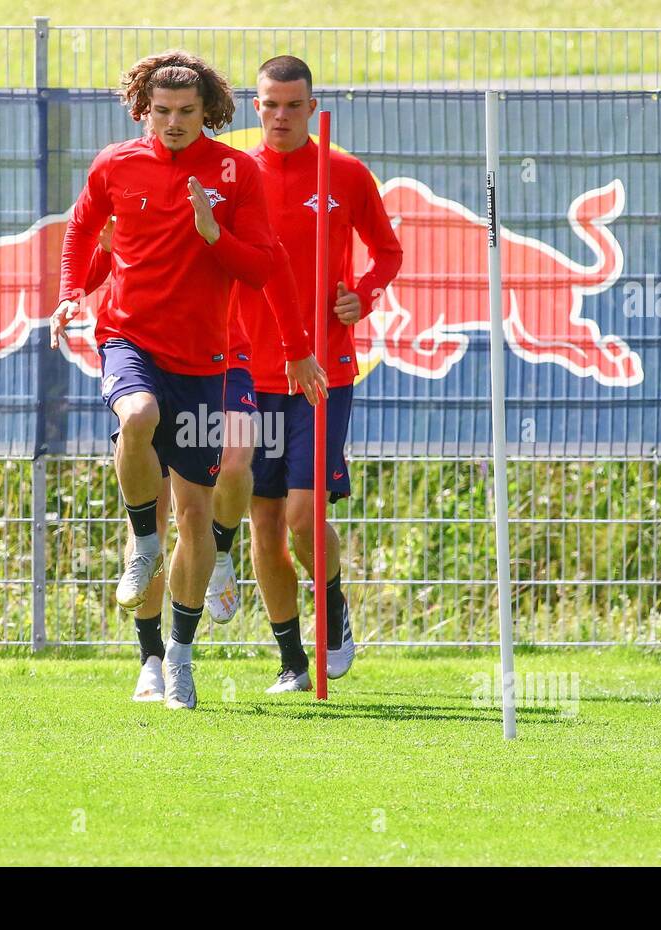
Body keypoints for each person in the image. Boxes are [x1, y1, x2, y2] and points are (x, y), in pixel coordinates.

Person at [50, 50, 276, 709]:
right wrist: (72, 291)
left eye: (186, 112)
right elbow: (81, 227)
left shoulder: (238, 172)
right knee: (137, 415)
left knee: (198, 513)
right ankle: (143, 557)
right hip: (129, 339)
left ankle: (178, 657)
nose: (172, 124)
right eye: (161, 111)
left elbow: (260, 267)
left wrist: (213, 235)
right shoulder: (116, 163)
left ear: (208, 111)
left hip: (206, 361)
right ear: (141, 108)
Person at [236, 55, 404, 693]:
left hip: (324, 371)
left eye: (292, 105)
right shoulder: (236, 173)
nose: (280, 116)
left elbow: (386, 250)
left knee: (305, 518)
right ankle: (290, 659)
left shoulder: (346, 172)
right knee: (266, 523)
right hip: (250, 372)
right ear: (256, 107)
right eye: (269, 104)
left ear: (313, 106)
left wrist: (363, 292)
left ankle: (332, 621)